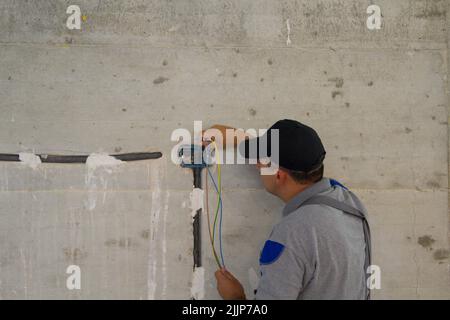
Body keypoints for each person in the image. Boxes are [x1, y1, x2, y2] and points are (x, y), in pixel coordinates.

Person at [202, 119, 371, 300]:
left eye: (263, 162)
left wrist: (235, 297)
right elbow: (293, 152)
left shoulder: (293, 233)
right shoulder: (348, 201)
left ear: (278, 175)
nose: (258, 165)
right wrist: (239, 138)